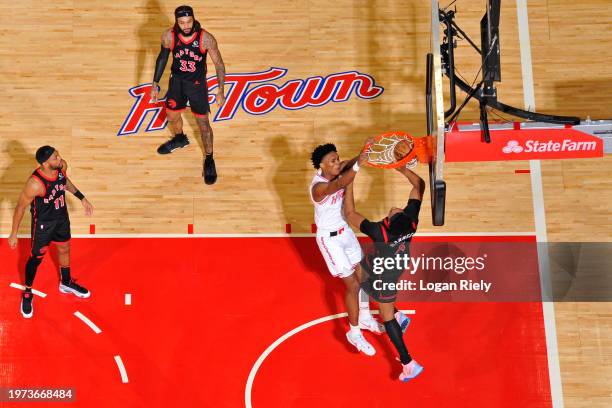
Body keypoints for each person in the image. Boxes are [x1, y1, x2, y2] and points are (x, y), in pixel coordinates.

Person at [343, 165, 425, 382]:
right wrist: (402, 168)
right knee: (361, 276)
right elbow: (419, 185)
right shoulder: (411, 221)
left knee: (385, 317)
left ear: (389, 220)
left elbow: (350, 213)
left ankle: (409, 363)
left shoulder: (380, 231)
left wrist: (349, 180)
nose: (395, 208)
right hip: (395, 264)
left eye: (394, 211)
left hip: (386, 276)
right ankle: (399, 315)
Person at [309, 141, 385, 357]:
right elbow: (341, 183)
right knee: (351, 284)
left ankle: (365, 316)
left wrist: (362, 153)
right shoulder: (319, 187)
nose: (337, 163)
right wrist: (358, 164)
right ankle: (354, 332)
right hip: (330, 240)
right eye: (332, 161)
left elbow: (347, 167)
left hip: (345, 233)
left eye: (337, 158)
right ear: (322, 166)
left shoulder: (336, 170)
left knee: (364, 276)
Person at [7, 146, 94, 318]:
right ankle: (27, 292)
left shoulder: (61, 167)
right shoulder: (35, 183)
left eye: (58, 154)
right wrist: (13, 233)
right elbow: (20, 207)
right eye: (55, 157)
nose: (59, 158)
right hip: (43, 226)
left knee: (64, 249)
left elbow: (65, 182)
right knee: (36, 259)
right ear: (45, 163)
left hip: (62, 218)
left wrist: (82, 198)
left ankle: (66, 282)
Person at [150, 5, 226, 185]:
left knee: (204, 125)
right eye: (182, 22)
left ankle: (209, 158)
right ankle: (179, 139)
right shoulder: (169, 36)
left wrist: (221, 90)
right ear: (177, 22)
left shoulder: (206, 39)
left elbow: (219, 65)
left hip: (197, 85)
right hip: (177, 81)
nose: (185, 26)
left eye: (188, 22)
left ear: (193, 19)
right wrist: (155, 84)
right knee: (171, 116)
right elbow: (162, 57)